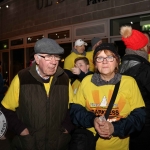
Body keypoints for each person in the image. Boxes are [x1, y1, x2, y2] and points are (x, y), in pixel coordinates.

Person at [1, 37, 74, 150]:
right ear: (37, 58)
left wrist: (66, 129)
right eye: (49, 57)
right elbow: (6, 109)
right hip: (29, 144)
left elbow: (72, 108)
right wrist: (22, 131)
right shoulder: (22, 78)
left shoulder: (64, 79)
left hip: (58, 144)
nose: (54, 62)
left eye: (56, 56)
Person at [70, 43, 146, 150]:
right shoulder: (87, 81)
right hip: (90, 144)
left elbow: (140, 116)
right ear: (95, 64)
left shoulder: (129, 82)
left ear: (117, 62)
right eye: (100, 58)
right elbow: (75, 110)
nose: (104, 61)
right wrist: (93, 120)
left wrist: (114, 128)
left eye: (110, 57)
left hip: (119, 147)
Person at [119, 26, 150, 150]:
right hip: (145, 120)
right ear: (142, 47)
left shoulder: (122, 65)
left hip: (127, 118)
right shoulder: (144, 68)